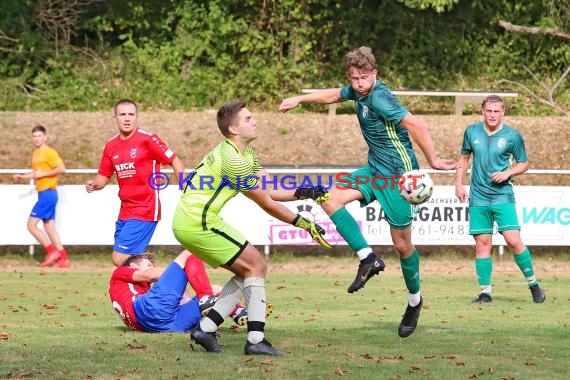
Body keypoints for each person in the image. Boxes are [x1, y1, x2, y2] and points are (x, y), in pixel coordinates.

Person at [279, 46, 456, 338]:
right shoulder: (356, 92)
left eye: (363, 78)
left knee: (402, 246)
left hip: (399, 179)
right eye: (354, 79)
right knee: (331, 199)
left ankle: (415, 301)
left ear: (374, 74)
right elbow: (333, 95)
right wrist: (300, 98)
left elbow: (417, 124)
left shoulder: (381, 98)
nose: (358, 84)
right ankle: (367, 258)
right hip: (373, 170)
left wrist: (434, 160)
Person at [172, 100, 331, 356]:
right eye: (247, 119)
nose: (254, 121)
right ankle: (255, 340)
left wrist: (303, 192)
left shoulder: (243, 154)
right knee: (256, 266)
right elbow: (266, 202)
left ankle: (205, 329)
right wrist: (302, 223)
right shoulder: (233, 160)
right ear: (233, 129)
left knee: (249, 271)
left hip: (192, 221)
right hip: (198, 223)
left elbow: (269, 186)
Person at [455, 95, 546, 304]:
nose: (492, 115)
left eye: (497, 111)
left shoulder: (513, 136)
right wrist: (459, 184)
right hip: (478, 196)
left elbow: (524, 163)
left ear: (503, 112)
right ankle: (485, 293)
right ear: (482, 111)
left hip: (502, 195)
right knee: (482, 244)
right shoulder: (472, 131)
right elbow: (464, 159)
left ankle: (534, 285)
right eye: (489, 111)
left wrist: (508, 173)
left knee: (514, 241)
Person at [85, 99, 185, 267]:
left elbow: (175, 160)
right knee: (134, 262)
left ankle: (171, 286)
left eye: (131, 114)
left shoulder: (148, 140)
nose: (127, 118)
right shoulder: (111, 146)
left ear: (137, 117)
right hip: (125, 210)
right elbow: (103, 177)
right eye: (122, 114)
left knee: (120, 258)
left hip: (145, 208)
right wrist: (94, 184)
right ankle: (166, 290)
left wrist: (184, 186)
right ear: (115, 118)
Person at [109, 251, 269, 332]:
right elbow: (152, 274)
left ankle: (240, 313)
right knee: (191, 252)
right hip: (147, 311)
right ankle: (205, 297)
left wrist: (184, 289)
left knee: (217, 290)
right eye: (148, 264)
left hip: (160, 327)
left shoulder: (139, 290)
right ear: (133, 266)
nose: (152, 267)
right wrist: (178, 273)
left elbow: (182, 301)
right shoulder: (121, 272)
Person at [14, 125, 71, 268]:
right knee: (49, 228)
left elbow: (61, 169)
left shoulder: (49, 152)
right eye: (34, 136)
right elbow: (36, 172)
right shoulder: (36, 153)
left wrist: (43, 174)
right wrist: (23, 177)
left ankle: (51, 252)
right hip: (44, 194)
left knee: (31, 225)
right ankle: (64, 259)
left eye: (39, 136)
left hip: (48, 194)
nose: (37, 138)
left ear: (45, 137)